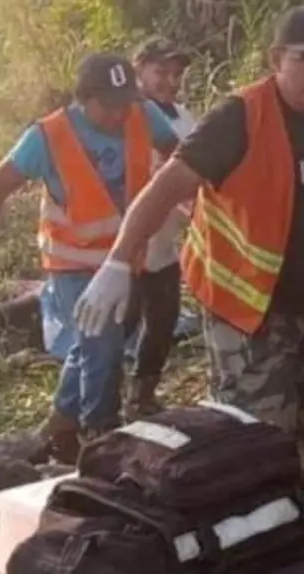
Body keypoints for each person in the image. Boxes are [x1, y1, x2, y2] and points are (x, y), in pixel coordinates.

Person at [72, 4, 304, 439]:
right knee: (252, 440)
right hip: (251, 314)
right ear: (276, 60)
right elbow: (166, 186)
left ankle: (290, 500)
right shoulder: (240, 117)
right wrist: (119, 261)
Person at [0, 53, 179, 458]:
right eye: (110, 105)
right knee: (102, 342)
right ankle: (99, 432)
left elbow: (180, 154)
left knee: (100, 339)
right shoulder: (48, 136)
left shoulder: (143, 114)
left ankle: (62, 418)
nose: (121, 113)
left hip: (123, 260)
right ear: (83, 99)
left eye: (126, 101)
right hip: (74, 264)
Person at [120, 36, 198, 420]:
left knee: (162, 322)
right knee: (123, 321)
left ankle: (141, 396)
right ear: (139, 72)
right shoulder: (128, 117)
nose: (170, 80)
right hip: (130, 240)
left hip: (165, 242)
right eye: (160, 72)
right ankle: (102, 399)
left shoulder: (184, 118)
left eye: (176, 73)